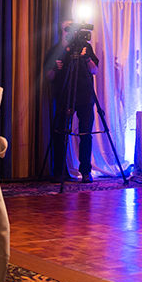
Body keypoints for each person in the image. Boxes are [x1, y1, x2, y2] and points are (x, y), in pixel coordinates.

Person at [44, 20, 99, 183]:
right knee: (60, 133)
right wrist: (55, 68)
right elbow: (48, 76)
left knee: (86, 134)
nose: (71, 31)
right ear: (61, 30)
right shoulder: (55, 50)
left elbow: (95, 70)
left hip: (85, 96)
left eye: (73, 28)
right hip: (64, 95)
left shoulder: (85, 47)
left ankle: (86, 172)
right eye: (67, 28)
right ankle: (58, 171)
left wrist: (87, 58)